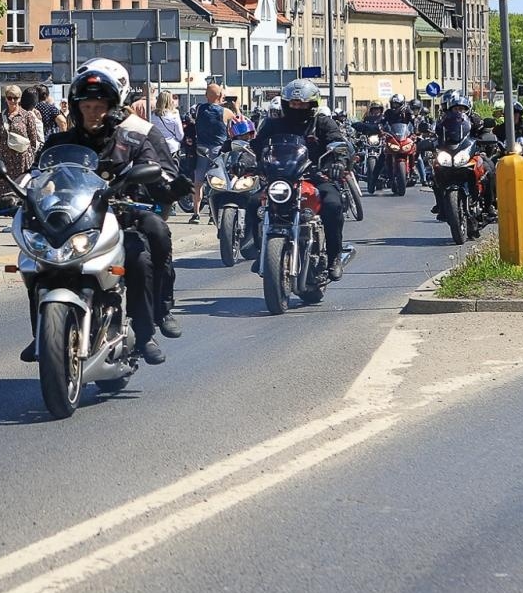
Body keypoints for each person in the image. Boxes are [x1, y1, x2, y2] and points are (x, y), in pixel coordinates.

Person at [25, 58, 178, 366]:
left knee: (143, 250)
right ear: (76, 107)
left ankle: (148, 326)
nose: (93, 113)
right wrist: (25, 191)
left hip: (122, 214)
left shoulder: (132, 137)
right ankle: (42, 334)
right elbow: (38, 173)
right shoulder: (60, 140)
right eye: (86, 107)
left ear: (112, 105)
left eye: (99, 106)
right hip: (75, 218)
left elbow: (162, 171)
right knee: (36, 263)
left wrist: (153, 182)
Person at [245, 79, 350, 280]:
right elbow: (256, 146)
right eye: (293, 104)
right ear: (286, 104)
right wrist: (245, 160)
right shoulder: (274, 124)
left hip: (317, 176)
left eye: (302, 104)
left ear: (312, 105)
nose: (297, 108)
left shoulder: (322, 123)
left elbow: (338, 142)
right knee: (253, 203)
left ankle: (334, 256)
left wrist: (338, 162)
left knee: (333, 204)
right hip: (282, 179)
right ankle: (262, 250)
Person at [187, 81, 235, 222]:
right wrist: (235, 107)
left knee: (198, 183)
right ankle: (212, 214)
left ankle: (196, 213)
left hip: (201, 149)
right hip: (218, 151)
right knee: (217, 182)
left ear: (206, 95)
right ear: (221, 95)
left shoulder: (199, 109)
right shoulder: (226, 112)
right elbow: (239, 122)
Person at [0, 84, 42, 213]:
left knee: (20, 188)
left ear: (20, 98)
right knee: (6, 187)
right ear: (6, 99)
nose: (12, 101)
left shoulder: (27, 116)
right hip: (5, 158)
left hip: (22, 158)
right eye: (10, 98)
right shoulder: (0, 117)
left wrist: (30, 156)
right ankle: (7, 213)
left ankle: (18, 216)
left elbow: (33, 139)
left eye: (15, 98)